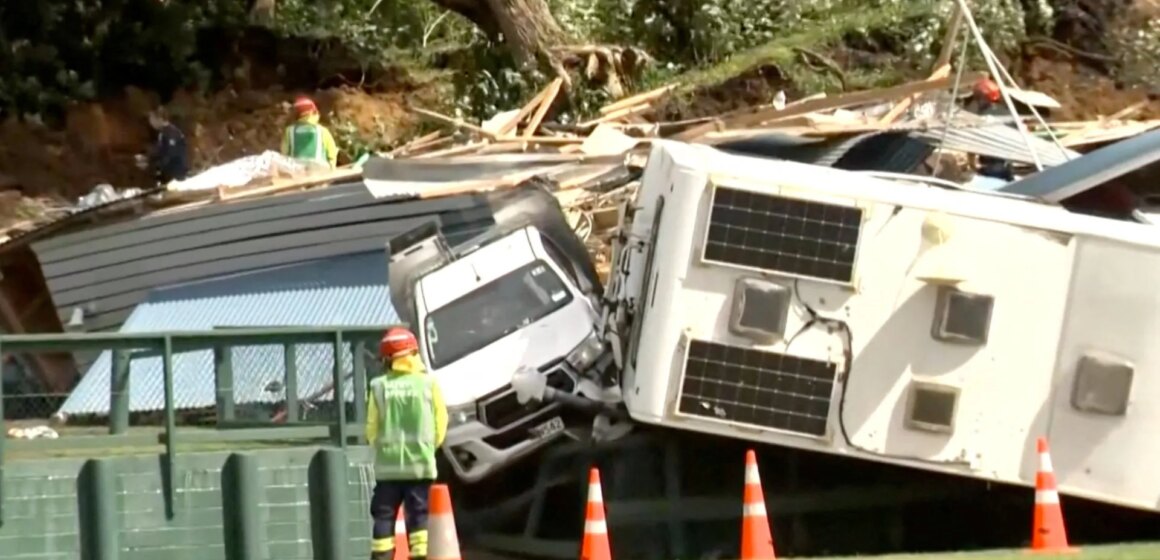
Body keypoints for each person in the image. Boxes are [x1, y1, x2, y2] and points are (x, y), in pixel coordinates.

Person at [365, 327, 448, 560]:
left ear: (389, 358)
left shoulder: (378, 386)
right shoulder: (429, 384)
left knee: (383, 516)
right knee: (419, 518)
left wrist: (380, 447)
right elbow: (441, 422)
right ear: (413, 353)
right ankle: (420, 557)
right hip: (420, 467)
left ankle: (382, 557)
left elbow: (371, 428)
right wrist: (429, 447)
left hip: (388, 470)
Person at [964, 77, 1016, 182]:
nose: (976, 101)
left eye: (977, 98)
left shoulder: (983, 117)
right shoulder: (1007, 112)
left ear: (982, 98)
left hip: (992, 166)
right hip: (1008, 164)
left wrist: (972, 165)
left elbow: (973, 142)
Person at [281, 95, 338, 170]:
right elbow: (332, 153)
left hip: (296, 170)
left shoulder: (289, 131)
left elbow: (284, 153)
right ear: (313, 113)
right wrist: (332, 168)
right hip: (320, 171)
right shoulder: (322, 131)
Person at [135, 109, 189, 184]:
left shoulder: (171, 133)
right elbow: (161, 151)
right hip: (168, 175)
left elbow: (170, 154)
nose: (151, 123)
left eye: (152, 119)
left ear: (160, 119)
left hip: (175, 175)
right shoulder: (164, 133)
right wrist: (147, 158)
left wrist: (153, 165)